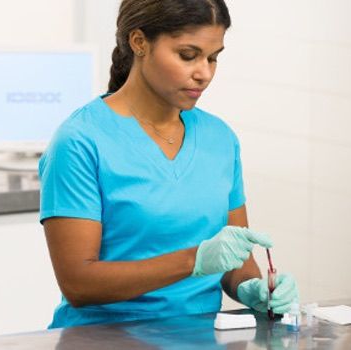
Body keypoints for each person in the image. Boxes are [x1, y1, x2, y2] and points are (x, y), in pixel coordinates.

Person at [39, 0, 298, 329]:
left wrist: (253, 289)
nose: (204, 73)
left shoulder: (219, 139)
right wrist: (195, 260)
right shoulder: (80, 142)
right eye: (188, 55)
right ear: (139, 43)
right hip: (103, 339)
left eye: (213, 57)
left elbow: (236, 260)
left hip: (203, 336)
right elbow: (79, 284)